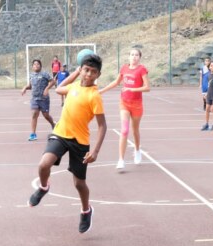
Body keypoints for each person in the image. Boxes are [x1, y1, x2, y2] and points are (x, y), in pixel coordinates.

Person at [27, 53, 106, 234]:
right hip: (61, 134)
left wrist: (95, 151)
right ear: (81, 70)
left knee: (79, 184)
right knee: (43, 164)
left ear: (97, 75)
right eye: (86, 70)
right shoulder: (73, 86)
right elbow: (58, 88)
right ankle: (44, 187)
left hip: (80, 142)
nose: (88, 74)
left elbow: (102, 125)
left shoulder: (94, 96)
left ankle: (86, 210)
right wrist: (76, 73)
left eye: (93, 72)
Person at [99, 48, 150, 170]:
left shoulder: (142, 69)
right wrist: (102, 91)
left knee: (135, 130)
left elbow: (147, 87)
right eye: (132, 55)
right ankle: (121, 159)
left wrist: (132, 89)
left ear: (139, 57)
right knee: (124, 130)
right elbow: (116, 82)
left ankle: (137, 150)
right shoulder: (124, 68)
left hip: (137, 104)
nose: (134, 57)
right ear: (129, 57)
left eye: (136, 55)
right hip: (124, 103)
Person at [21, 59, 56, 141]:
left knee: (46, 115)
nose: (36, 65)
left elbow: (53, 81)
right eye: (34, 64)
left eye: (38, 64)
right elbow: (30, 86)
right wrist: (25, 88)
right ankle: (33, 134)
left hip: (44, 99)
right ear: (32, 67)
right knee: (34, 114)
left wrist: (47, 88)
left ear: (40, 66)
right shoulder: (31, 75)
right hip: (34, 98)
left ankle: (53, 124)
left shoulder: (45, 74)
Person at [199, 57, 211, 129]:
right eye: (206, 61)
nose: (207, 62)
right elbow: (201, 77)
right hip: (204, 83)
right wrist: (200, 84)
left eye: (208, 61)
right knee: (204, 96)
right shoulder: (203, 68)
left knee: (208, 95)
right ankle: (204, 103)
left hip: (209, 83)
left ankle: (207, 106)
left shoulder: (211, 68)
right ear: (204, 62)